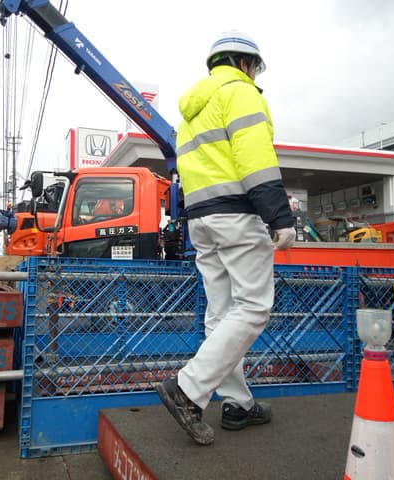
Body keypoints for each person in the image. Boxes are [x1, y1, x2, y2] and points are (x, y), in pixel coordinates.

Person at [155, 30, 296, 445]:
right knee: (253, 307)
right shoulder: (241, 92)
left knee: (221, 315)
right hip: (236, 216)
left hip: (201, 220)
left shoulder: (191, 115)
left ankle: (237, 403)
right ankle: (188, 389)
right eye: (254, 68)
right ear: (244, 63)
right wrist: (280, 217)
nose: (254, 75)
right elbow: (256, 160)